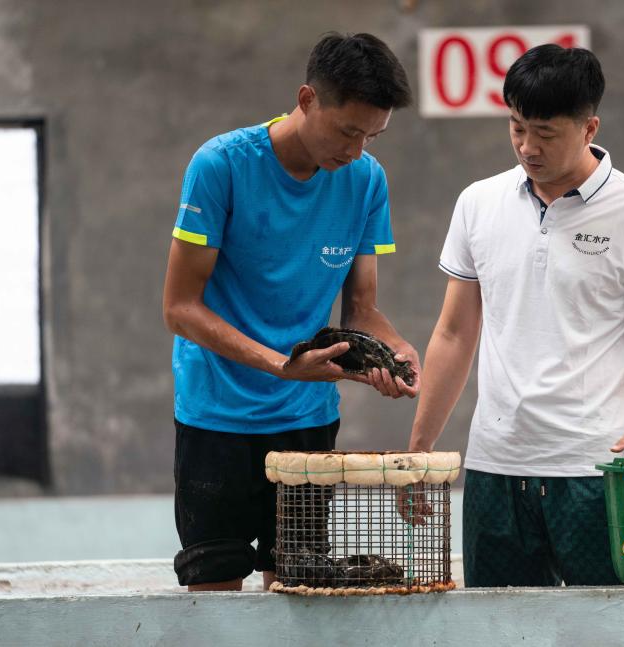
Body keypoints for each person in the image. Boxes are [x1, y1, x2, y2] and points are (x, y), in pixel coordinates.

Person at [404, 44, 624, 587]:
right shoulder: (477, 203)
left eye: (545, 133)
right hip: (495, 467)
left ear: (589, 127)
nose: (527, 147)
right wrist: (419, 452)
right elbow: (455, 332)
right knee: (496, 631)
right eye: (515, 128)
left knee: (602, 628)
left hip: (593, 470)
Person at [162, 32, 419, 592]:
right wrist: (282, 364)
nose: (355, 151)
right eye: (348, 131)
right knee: (215, 598)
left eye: (371, 136)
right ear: (307, 100)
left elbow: (362, 309)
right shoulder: (222, 165)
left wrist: (395, 349)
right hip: (217, 420)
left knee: (298, 589)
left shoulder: (366, 180)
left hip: (307, 423)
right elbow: (179, 309)